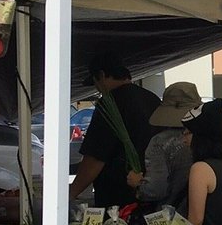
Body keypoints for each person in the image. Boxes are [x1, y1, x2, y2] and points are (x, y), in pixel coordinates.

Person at [69, 54, 161, 208]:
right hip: (153, 193)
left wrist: (71, 193)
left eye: (96, 83)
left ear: (102, 75)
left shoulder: (110, 104)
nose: (98, 89)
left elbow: (96, 157)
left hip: (118, 198)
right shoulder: (152, 98)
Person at [128, 81, 201, 211]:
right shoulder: (208, 138)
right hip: (203, 214)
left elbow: (155, 190)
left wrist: (137, 183)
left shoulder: (160, 142)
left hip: (170, 216)